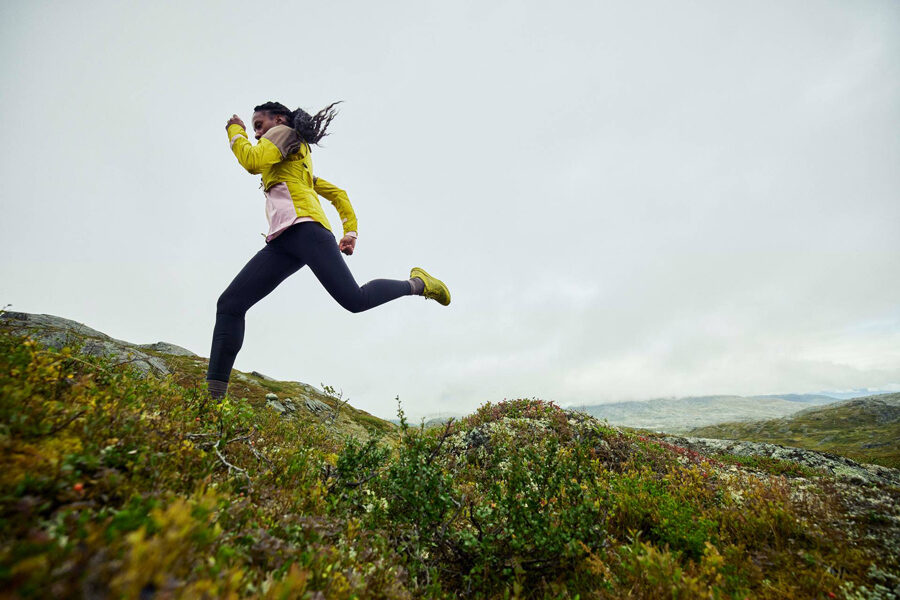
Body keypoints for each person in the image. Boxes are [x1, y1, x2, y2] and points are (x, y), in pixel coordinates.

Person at [206, 101, 450, 399]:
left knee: (355, 299)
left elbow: (252, 162)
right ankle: (213, 403)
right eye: (253, 129)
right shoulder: (295, 160)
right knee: (230, 304)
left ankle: (419, 283)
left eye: (259, 126)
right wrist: (349, 231)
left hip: (306, 230)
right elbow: (338, 194)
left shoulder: (282, 133)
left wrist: (235, 131)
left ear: (279, 119)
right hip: (283, 240)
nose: (257, 134)